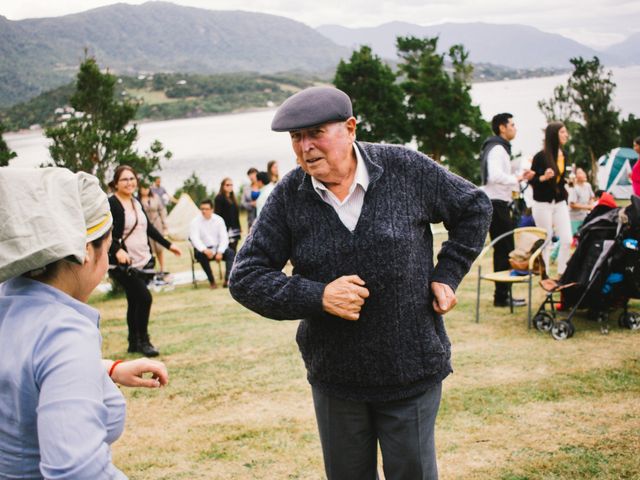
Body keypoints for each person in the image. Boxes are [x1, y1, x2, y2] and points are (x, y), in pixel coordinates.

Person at [229, 86, 491, 479]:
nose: (305, 147)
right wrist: (318, 295)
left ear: (350, 128)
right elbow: (245, 276)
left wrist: (447, 275)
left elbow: (474, 206)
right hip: (337, 379)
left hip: (411, 369)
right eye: (296, 138)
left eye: (315, 132)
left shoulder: (405, 167)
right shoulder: (288, 196)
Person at [0, 167, 169, 479]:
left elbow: (21, 366)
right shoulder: (64, 333)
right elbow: (77, 470)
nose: (106, 263)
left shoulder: (9, 301)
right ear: (85, 253)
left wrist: (108, 369)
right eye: (105, 249)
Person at [108, 166, 182, 357]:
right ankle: (144, 341)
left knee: (134, 301)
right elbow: (106, 233)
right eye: (124, 179)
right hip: (123, 264)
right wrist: (117, 251)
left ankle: (133, 342)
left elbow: (147, 227)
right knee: (144, 298)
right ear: (116, 183)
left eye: (132, 178)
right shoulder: (112, 203)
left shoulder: (135, 201)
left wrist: (168, 245)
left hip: (142, 259)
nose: (129, 182)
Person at [480, 113, 534, 307]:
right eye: (512, 124)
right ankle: (502, 296)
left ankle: (502, 296)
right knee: (505, 249)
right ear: (502, 128)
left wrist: (520, 177)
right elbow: (494, 176)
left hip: (497, 202)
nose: (515, 128)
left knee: (503, 249)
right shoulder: (497, 149)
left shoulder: (497, 148)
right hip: (496, 203)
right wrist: (517, 179)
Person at [529, 122, 573, 277]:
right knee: (546, 240)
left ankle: (562, 273)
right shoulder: (540, 157)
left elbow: (559, 179)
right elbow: (531, 181)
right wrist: (543, 177)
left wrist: (565, 182)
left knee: (567, 239)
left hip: (559, 202)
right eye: (563, 132)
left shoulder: (564, 155)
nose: (566, 135)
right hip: (542, 204)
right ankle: (545, 275)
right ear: (554, 135)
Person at [190, 199, 235, 288]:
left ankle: (228, 280)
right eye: (202, 209)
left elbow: (224, 237)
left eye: (206, 209)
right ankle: (212, 281)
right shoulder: (195, 221)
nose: (204, 211)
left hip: (218, 249)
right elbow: (194, 239)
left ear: (212, 209)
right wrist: (204, 250)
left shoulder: (219, 220)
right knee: (200, 255)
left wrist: (220, 251)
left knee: (231, 253)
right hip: (203, 250)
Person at [138, 183, 169, 274]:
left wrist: (164, 225)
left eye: (147, 188)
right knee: (149, 248)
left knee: (159, 247)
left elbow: (162, 210)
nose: (145, 190)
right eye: (143, 188)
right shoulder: (138, 200)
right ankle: (151, 268)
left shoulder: (155, 197)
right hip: (145, 226)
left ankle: (162, 268)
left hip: (157, 222)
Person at [214, 177, 242, 252]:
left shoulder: (233, 198)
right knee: (229, 250)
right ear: (222, 186)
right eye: (227, 185)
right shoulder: (219, 198)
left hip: (235, 228)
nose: (230, 187)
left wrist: (239, 227)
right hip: (226, 228)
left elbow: (236, 215)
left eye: (231, 185)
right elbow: (217, 215)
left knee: (234, 249)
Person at [567, 167, 595, 234]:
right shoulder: (574, 188)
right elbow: (572, 204)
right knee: (575, 237)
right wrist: (588, 207)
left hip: (585, 217)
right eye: (580, 173)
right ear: (576, 176)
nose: (584, 174)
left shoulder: (588, 185)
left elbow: (592, 197)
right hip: (575, 218)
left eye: (583, 172)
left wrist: (591, 204)